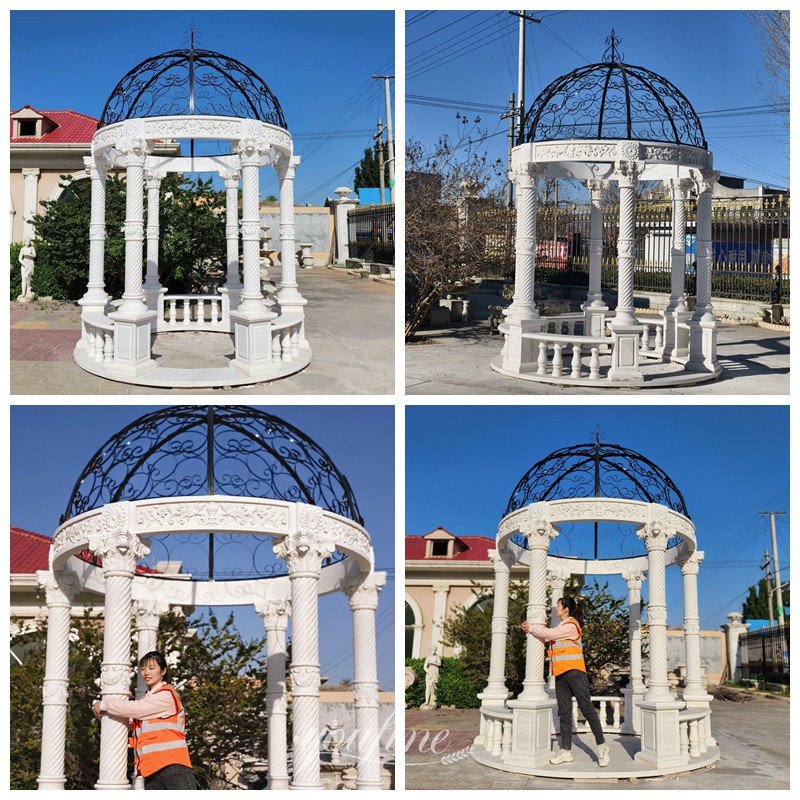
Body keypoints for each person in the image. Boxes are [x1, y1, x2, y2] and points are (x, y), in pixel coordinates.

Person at [521, 596, 610, 768]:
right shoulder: (561, 626)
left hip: (575, 673)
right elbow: (548, 636)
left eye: (558, 605)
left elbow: (550, 634)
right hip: (560, 674)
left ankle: (602, 747)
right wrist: (530, 628)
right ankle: (566, 751)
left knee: (587, 709)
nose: (556, 607)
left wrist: (532, 627)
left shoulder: (571, 625)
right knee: (564, 713)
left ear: (566, 609)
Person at [93, 650, 196, 789]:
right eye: (143, 669)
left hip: (173, 766)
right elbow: (132, 723)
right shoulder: (150, 699)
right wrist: (107, 716)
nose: (146, 672)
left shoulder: (165, 695)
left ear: (163, 670)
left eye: (152, 668)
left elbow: (136, 709)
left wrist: (105, 704)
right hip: (152, 769)